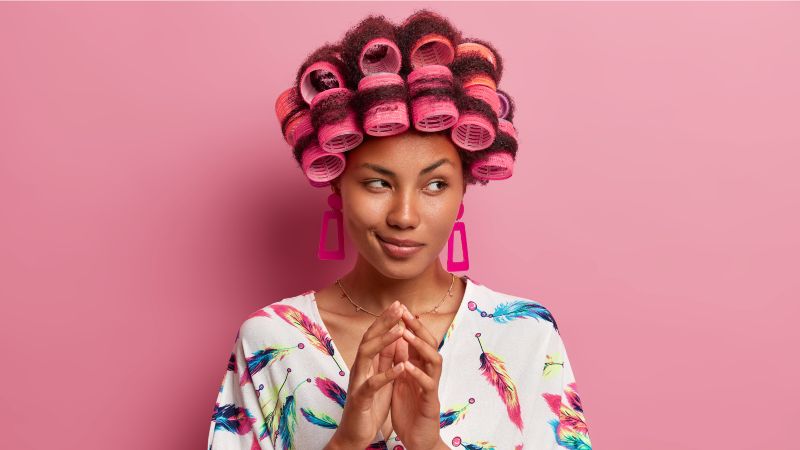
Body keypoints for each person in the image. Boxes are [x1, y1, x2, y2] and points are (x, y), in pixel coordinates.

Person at [208, 9, 591, 450]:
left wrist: (428, 445)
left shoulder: (526, 335)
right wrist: (348, 441)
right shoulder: (270, 339)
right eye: (377, 182)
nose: (404, 215)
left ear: (463, 189)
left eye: (435, 184)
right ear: (337, 183)